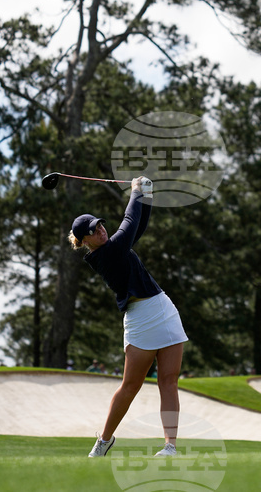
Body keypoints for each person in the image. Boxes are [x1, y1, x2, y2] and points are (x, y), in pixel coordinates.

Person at [68, 176, 187, 459]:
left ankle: (170, 446)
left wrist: (147, 195)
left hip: (164, 309)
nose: (101, 231)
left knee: (168, 382)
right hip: (139, 319)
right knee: (130, 385)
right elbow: (130, 223)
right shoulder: (104, 256)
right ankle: (104, 440)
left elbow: (138, 225)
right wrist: (136, 191)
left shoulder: (115, 245)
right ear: (84, 241)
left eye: (100, 225)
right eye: (93, 231)